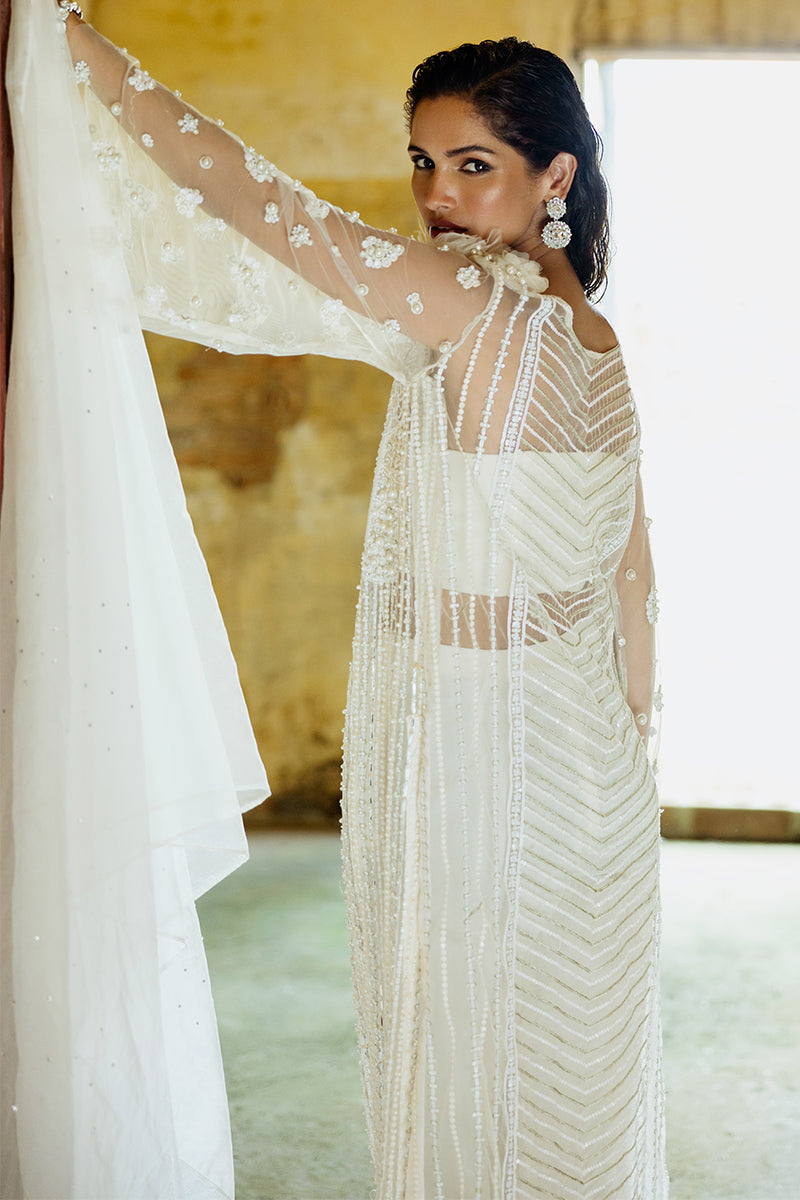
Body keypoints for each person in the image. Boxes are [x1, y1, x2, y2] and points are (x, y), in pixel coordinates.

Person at [58, 6, 666, 1197]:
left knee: (480, 1038)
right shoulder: (593, 336)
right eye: (422, 162)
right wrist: (634, 743)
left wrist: (79, 53)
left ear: (553, 175)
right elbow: (631, 577)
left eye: (473, 165)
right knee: (558, 1043)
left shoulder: (469, 303)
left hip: (491, 747)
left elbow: (256, 205)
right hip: (590, 751)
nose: (436, 195)